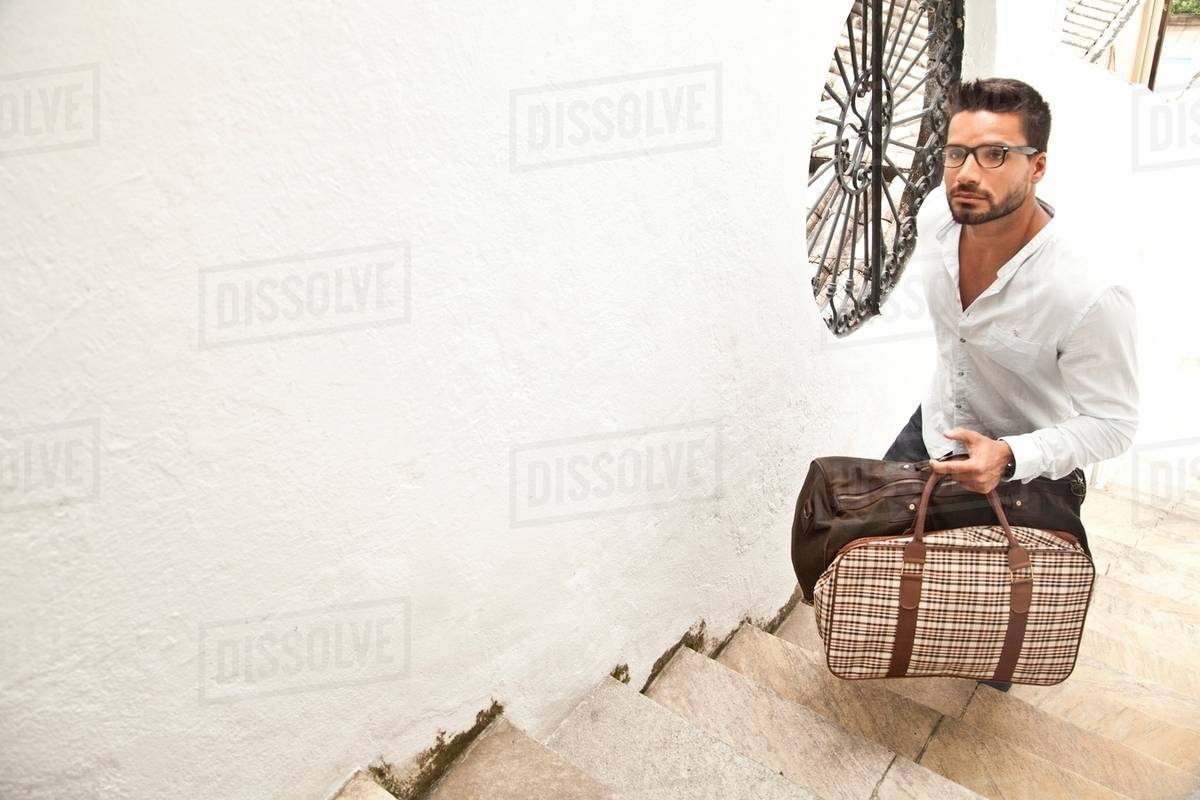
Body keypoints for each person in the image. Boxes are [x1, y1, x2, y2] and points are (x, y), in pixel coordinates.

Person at [882, 77, 1140, 693]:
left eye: (995, 154)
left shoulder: (1088, 292)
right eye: (955, 153)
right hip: (932, 429)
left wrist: (1013, 454)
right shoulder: (936, 222)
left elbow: (1114, 423)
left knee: (998, 623)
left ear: (1038, 165)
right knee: (888, 567)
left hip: (1027, 476)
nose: (967, 172)